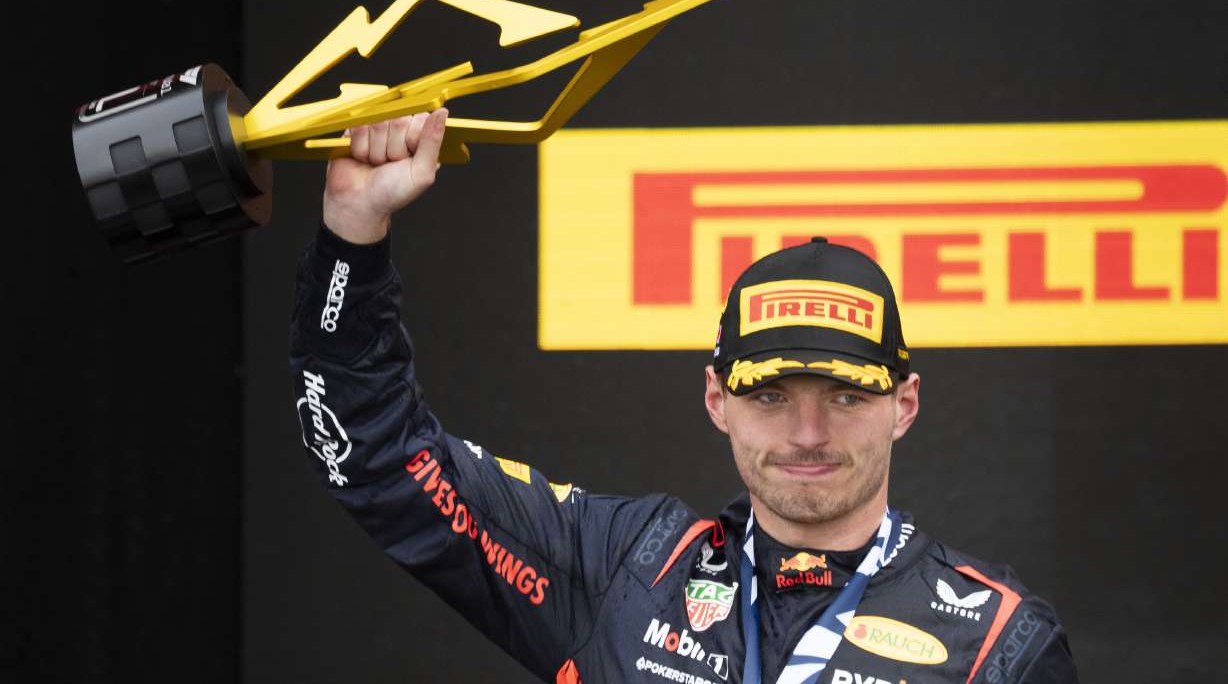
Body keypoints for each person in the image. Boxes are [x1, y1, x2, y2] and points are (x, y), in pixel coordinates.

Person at [290, 110, 1079, 684]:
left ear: (904, 404)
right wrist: (352, 233)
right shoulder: (625, 569)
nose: (807, 431)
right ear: (716, 399)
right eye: (769, 394)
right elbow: (377, 457)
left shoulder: (1001, 643)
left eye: (843, 396)